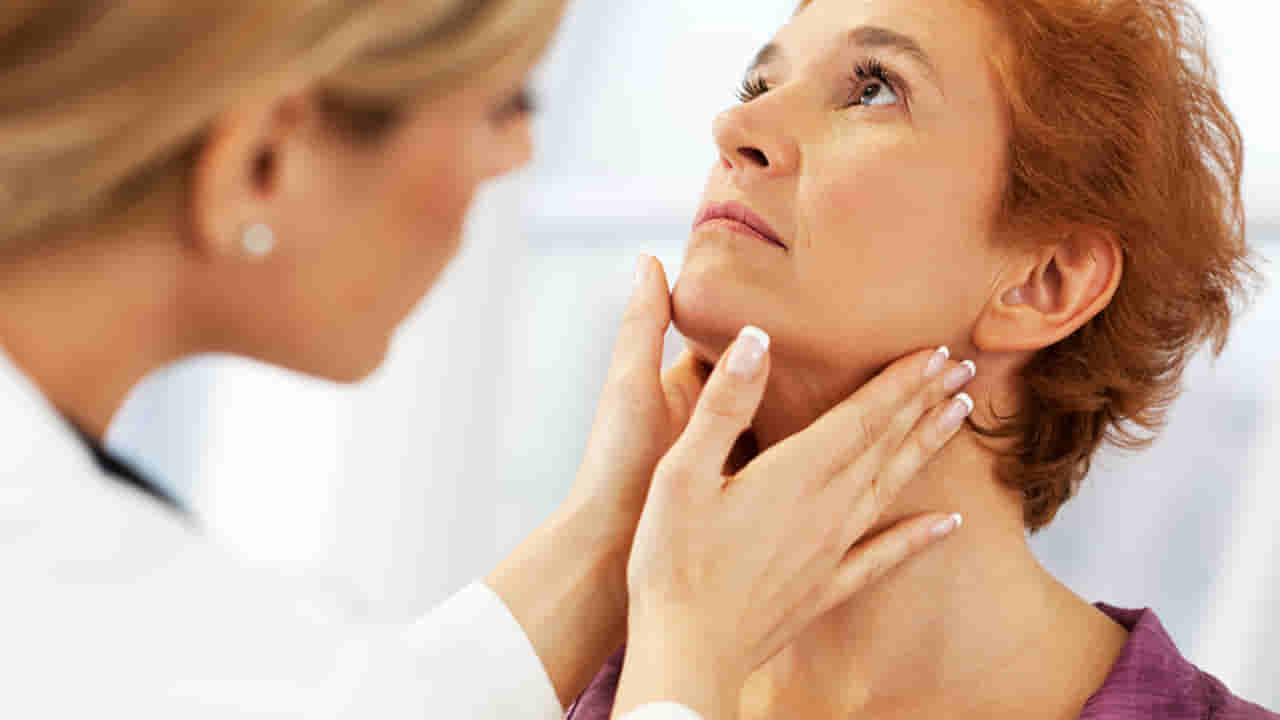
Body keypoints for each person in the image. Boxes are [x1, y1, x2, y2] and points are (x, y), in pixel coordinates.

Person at [0, 1, 980, 718]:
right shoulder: (96, 619)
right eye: (502, 104)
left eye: (870, 89)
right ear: (263, 160)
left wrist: (613, 545)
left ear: (1046, 282)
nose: (514, 155)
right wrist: (690, 656)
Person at [566, 0, 1280, 718]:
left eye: (873, 88)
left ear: (1045, 282)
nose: (733, 127)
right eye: (758, 87)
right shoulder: (579, 681)